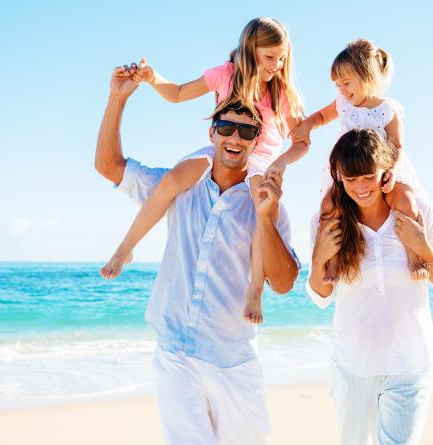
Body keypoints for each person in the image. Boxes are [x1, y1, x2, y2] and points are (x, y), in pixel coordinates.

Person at [95, 64, 300, 445]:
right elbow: (108, 166)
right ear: (212, 133)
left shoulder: (265, 199)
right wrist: (117, 99)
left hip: (233, 361)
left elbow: (285, 283)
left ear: (257, 141)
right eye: (226, 128)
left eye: (246, 131)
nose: (234, 137)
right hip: (175, 351)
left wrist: (266, 215)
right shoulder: (180, 183)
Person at [100, 17, 307, 324]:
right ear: (251, 50)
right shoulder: (226, 74)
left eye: (281, 58)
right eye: (270, 57)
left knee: (263, 213)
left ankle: (254, 291)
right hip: (220, 151)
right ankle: (125, 248)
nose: (276, 64)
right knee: (172, 179)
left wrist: (281, 162)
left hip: (260, 160)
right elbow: (179, 93)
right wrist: (153, 78)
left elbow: (302, 141)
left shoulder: (280, 93)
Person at [306, 128, 433, 445]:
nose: (360, 187)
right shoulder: (328, 222)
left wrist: (424, 248)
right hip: (352, 369)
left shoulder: (418, 211)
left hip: (410, 365)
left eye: (368, 177)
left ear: (385, 173)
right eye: (351, 179)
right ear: (338, 177)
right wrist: (319, 258)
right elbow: (321, 297)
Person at [275, 38, 427, 284]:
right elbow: (322, 116)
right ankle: (332, 261)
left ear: (367, 75)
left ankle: (414, 257)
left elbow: (397, 145)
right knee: (329, 207)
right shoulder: (343, 103)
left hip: (380, 171)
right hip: (347, 172)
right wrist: (308, 126)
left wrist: (393, 171)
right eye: (337, 85)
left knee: (405, 202)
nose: (342, 90)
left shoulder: (388, 109)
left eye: (346, 83)